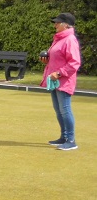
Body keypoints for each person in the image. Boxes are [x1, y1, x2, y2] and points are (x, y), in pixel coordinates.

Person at [39, 12, 81, 151]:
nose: (55, 25)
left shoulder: (70, 40)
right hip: (54, 80)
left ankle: (71, 140)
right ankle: (63, 137)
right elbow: (58, 58)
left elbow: (74, 62)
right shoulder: (59, 39)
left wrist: (59, 73)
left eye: (58, 22)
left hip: (63, 80)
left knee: (65, 109)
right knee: (58, 110)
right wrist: (47, 60)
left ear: (66, 25)